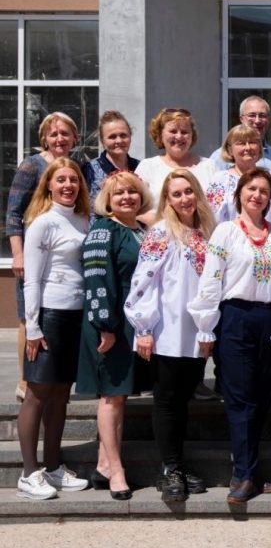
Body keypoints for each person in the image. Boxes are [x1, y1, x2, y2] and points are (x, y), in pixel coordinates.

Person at [188, 168, 271, 503]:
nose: (257, 195)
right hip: (235, 317)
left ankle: (250, 471)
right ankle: (244, 474)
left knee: (262, 396)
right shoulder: (226, 232)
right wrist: (206, 325)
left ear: (270, 199)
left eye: (264, 191)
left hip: (270, 319)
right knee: (240, 396)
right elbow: (211, 278)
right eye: (251, 189)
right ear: (240, 194)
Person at [124, 169, 217, 503]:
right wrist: (144, 328)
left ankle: (177, 464)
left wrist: (208, 326)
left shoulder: (207, 231)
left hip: (196, 331)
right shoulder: (162, 232)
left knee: (182, 400)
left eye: (188, 191)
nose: (184, 199)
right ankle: (170, 469)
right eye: (176, 194)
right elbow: (143, 280)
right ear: (168, 199)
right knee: (166, 400)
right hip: (166, 330)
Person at [76, 171, 154, 500]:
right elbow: (96, 280)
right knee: (111, 396)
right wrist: (105, 326)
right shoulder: (103, 230)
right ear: (107, 200)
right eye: (119, 193)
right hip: (110, 323)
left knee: (119, 395)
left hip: (132, 322)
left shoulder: (141, 230)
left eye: (132, 192)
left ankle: (104, 464)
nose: (126, 198)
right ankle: (117, 472)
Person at [16, 157, 91, 500]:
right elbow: (31, 280)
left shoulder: (83, 219)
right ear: (48, 184)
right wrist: (33, 327)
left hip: (76, 316)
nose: (68, 185)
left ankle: (53, 467)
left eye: (73, 180)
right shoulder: (42, 223)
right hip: (49, 315)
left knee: (61, 393)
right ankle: (28, 473)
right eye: (60, 180)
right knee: (38, 392)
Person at [6, 112, 80, 403]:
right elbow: (13, 214)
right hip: (33, 254)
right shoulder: (31, 166)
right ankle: (26, 380)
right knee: (28, 316)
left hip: (64, 257)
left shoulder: (76, 167)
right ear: (44, 139)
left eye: (65, 133)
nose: (60, 139)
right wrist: (18, 254)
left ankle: (55, 377)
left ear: (75, 137)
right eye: (54, 134)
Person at [135, 109, 214, 198]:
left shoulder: (209, 166)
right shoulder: (147, 167)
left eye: (184, 132)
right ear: (160, 135)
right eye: (173, 131)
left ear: (192, 135)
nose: (179, 136)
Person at [206, 124, 271, 223]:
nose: (248, 147)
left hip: (268, 232)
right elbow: (212, 218)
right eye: (241, 143)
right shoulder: (220, 180)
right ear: (230, 150)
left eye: (253, 142)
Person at [82, 111, 141, 220]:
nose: (119, 140)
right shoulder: (89, 170)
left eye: (123, 135)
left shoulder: (140, 167)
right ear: (102, 140)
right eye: (112, 137)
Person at [209, 95, 271, 172]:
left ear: (269, 119)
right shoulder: (220, 157)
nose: (257, 121)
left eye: (262, 115)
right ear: (241, 119)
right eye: (252, 115)